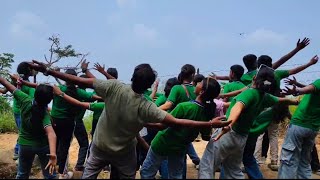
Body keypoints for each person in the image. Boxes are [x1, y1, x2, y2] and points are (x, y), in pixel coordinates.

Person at [29, 60, 231, 179]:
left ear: (133, 77)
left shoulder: (114, 87)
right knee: (127, 174)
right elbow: (173, 122)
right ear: (149, 85)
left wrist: (48, 70)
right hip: (124, 154)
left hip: (99, 147)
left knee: (89, 174)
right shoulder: (146, 106)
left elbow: (78, 80)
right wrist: (208, 123)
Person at [198, 65, 299, 179]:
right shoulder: (265, 97)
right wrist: (295, 102)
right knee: (233, 171)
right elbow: (280, 100)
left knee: (207, 166)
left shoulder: (249, 93)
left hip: (229, 134)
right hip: (241, 139)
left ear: (254, 77)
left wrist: (229, 124)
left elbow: (238, 107)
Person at [140, 77, 223, 179]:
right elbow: (205, 136)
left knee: (147, 172)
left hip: (162, 143)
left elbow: (162, 126)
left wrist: (143, 123)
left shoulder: (183, 107)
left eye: (200, 83)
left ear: (201, 91)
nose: (196, 83)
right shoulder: (207, 113)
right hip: (180, 149)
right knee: (176, 175)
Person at [0, 76, 57, 179]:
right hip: (42, 146)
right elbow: (51, 133)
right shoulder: (45, 114)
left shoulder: (24, 99)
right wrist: (53, 154)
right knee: (50, 175)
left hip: (25, 145)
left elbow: (6, 83)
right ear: (49, 101)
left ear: (35, 94)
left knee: (22, 174)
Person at [278, 76, 320, 179]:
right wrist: (297, 85)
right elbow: (312, 89)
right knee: (304, 162)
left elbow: (308, 89)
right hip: (313, 127)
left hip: (300, 124)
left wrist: (297, 90)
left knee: (289, 160)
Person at [12, 62, 36, 161]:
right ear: (28, 71)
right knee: (24, 132)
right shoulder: (28, 85)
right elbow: (31, 98)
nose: (33, 71)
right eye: (31, 69)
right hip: (23, 111)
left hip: (17, 109)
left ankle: (18, 150)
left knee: (22, 131)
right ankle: (18, 152)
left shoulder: (17, 81)